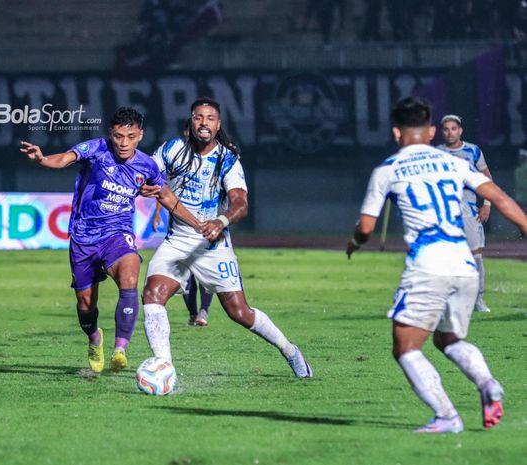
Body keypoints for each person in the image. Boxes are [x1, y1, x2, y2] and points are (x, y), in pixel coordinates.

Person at [347, 96, 527, 433]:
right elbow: (500, 197)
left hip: (428, 264)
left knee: (405, 347)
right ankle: (488, 384)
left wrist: (354, 243)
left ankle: (447, 416)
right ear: (431, 131)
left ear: (397, 133)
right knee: (448, 340)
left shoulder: (387, 169)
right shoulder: (455, 164)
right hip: (463, 263)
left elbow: (367, 228)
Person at [20, 107, 202, 374]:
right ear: (111, 134)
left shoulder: (146, 165)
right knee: (85, 304)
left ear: (140, 135)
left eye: (130, 136)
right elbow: (64, 160)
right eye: (118, 136)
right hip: (83, 237)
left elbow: (165, 195)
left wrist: (198, 225)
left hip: (117, 234)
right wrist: (41, 159)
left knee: (129, 277)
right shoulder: (96, 149)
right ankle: (95, 339)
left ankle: (120, 349)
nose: (123, 143)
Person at [140, 97, 313, 378]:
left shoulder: (227, 159)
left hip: (212, 245)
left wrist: (220, 221)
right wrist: (146, 185)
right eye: (198, 117)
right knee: (152, 295)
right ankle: (164, 366)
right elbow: (146, 172)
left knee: (239, 312)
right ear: (191, 122)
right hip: (177, 241)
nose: (203, 123)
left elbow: (241, 203)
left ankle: (290, 350)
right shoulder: (172, 149)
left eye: (210, 118)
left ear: (218, 125)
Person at [436, 114, 494, 312]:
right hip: (445, 213)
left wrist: (487, 203)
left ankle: (478, 300)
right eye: (446, 129)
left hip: (468, 212)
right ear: (442, 131)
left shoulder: (473, 151)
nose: (450, 132)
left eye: (453, 128)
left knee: (475, 257)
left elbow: (487, 179)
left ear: (460, 130)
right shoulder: (436, 153)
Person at [151, 202, 214, 326]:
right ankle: (194, 314)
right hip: (181, 234)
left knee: (204, 275)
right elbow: (163, 191)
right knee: (186, 277)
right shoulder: (177, 183)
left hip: (204, 232)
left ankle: (203, 311)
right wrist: (157, 212)